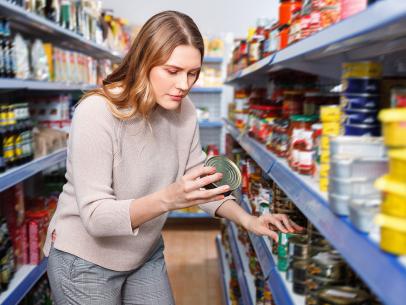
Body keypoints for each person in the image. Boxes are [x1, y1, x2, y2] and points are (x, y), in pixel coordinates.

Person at [44, 10, 302, 305]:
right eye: (172, 71)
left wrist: (247, 219)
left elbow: (198, 181)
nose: (184, 84)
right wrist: (170, 197)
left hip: (144, 253)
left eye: (193, 73)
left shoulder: (184, 109)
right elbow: (95, 217)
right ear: (144, 62)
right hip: (85, 260)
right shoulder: (97, 112)